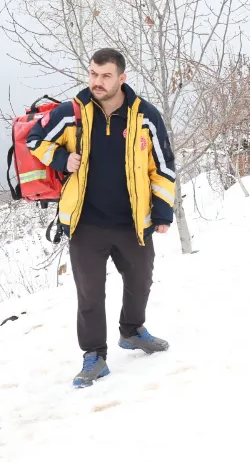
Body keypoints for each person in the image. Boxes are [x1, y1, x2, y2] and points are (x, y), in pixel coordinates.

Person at [27, 48, 177, 387]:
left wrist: (163, 210)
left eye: (105, 76)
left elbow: (164, 165)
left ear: (121, 78)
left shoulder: (145, 116)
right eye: (93, 74)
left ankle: (133, 330)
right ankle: (94, 355)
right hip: (85, 223)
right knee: (90, 293)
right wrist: (61, 158)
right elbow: (34, 138)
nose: (97, 81)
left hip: (132, 222)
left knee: (140, 282)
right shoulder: (72, 113)